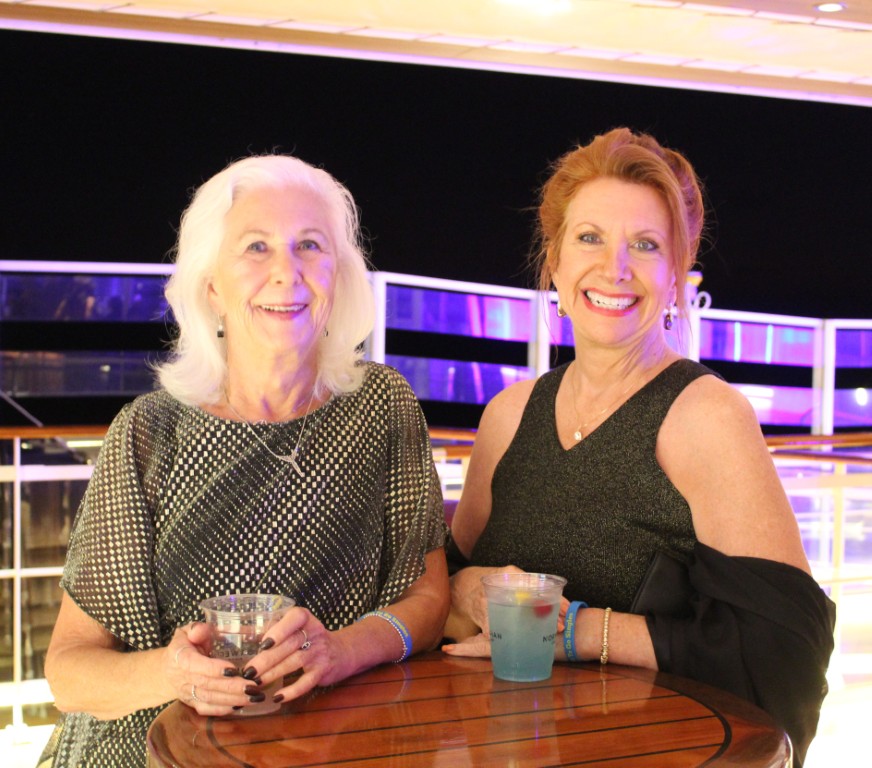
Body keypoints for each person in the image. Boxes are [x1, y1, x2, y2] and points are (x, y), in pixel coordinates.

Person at [442, 127, 835, 766]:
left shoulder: (706, 416)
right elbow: (444, 583)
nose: (614, 268)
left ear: (677, 273)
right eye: (589, 238)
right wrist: (465, 591)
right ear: (555, 261)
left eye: (646, 245)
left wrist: (574, 630)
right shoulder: (507, 416)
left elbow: (783, 654)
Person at [41, 155, 450, 767]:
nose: (287, 272)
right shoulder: (148, 433)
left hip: (327, 748)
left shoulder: (382, 407)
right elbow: (69, 673)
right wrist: (174, 675)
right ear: (211, 285)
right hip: (149, 751)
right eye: (256, 247)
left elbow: (428, 597)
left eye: (309, 245)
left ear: (338, 274)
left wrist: (340, 651)